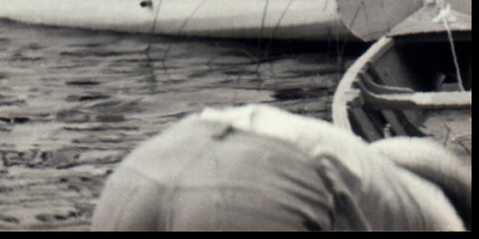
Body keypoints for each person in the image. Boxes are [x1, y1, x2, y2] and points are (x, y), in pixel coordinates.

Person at [92, 104, 470, 231]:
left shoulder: (370, 164)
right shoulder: (438, 218)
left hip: (142, 169)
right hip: (252, 186)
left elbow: (408, 156)